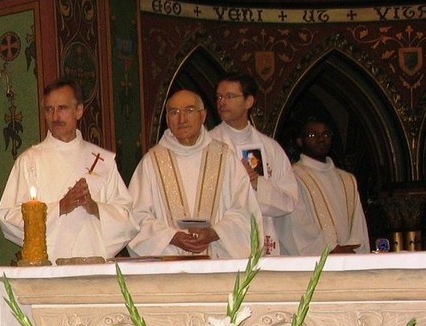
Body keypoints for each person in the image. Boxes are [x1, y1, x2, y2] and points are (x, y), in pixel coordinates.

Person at [0, 78, 136, 261]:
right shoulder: (29, 161)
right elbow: (8, 218)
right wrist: (60, 207)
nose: (55, 117)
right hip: (48, 266)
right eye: (49, 109)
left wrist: (95, 208)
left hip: (94, 265)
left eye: (62, 108)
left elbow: (128, 221)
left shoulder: (102, 161)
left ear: (79, 110)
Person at [128, 89, 261, 259]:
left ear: (203, 116)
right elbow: (136, 216)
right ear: (167, 119)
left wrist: (215, 233)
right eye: (174, 112)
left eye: (189, 111)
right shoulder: (151, 161)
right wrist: (172, 237)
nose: (182, 119)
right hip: (168, 263)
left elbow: (245, 211)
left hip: (217, 263)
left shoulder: (225, 157)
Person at [210, 73, 298, 256]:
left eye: (229, 96)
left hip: (265, 237)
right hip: (223, 243)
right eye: (219, 97)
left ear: (249, 101)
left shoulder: (271, 148)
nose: (222, 102)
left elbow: (289, 202)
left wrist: (258, 183)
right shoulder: (208, 145)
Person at [277, 119, 369, 256]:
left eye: (326, 134)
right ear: (300, 141)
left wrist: (354, 249)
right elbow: (295, 221)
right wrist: (331, 248)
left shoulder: (347, 179)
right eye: (313, 135)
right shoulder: (293, 176)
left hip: (348, 258)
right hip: (316, 259)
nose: (321, 139)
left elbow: (358, 224)